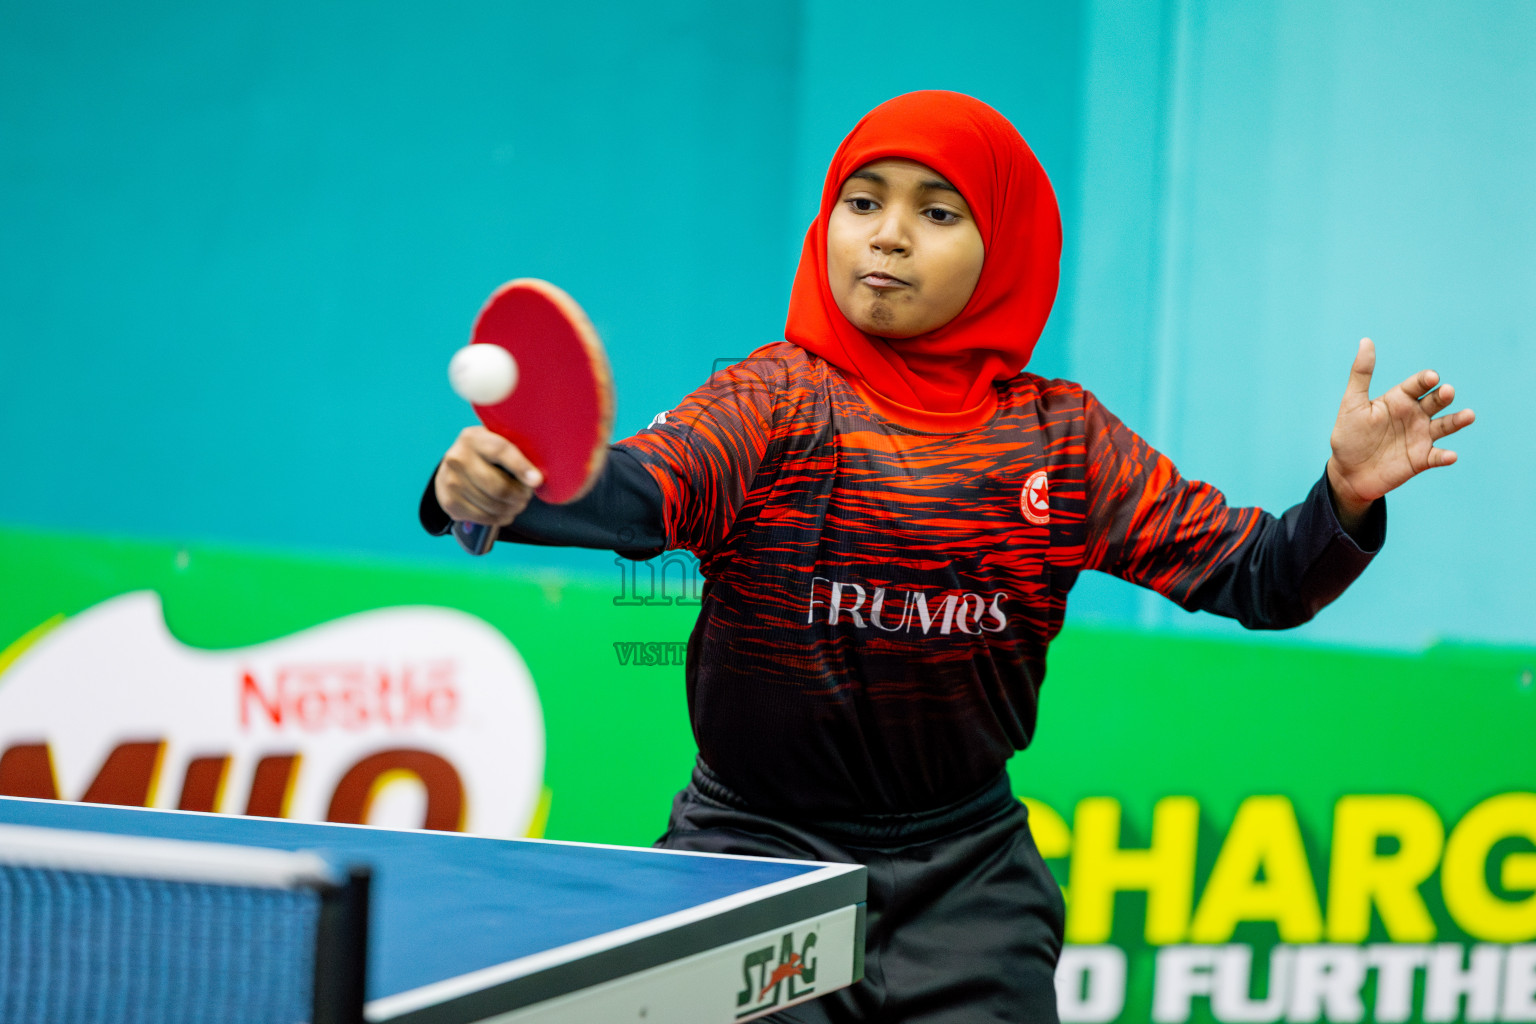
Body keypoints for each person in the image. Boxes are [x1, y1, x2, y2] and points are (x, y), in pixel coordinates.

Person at [420, 91, 1474, 1023]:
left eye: (937, 211)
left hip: (967, 881)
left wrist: (1343, 496)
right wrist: (506, 492)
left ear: (1001, 243)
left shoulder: (1064, 442)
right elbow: (650, 490)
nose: (887, 236)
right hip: (747, 857)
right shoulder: (774, 399)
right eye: (862, 200)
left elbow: (1260, 576)